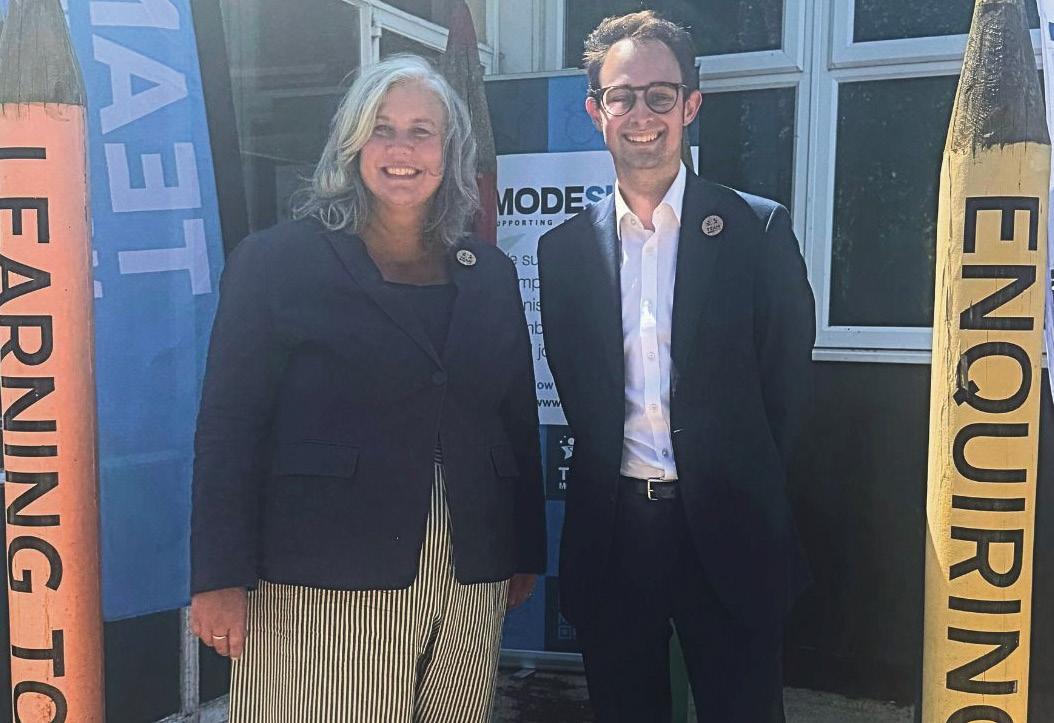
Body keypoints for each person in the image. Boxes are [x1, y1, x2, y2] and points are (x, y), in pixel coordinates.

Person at [189, 54, 545, 723]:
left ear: (449, 150)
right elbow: (229, 428)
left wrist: (524, 548)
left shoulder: (489, 272)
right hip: (323, 576)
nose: (401, 149)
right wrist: (217, 576)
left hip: (467, 573)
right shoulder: (276, 263)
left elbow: (514, 417)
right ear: (352, 143)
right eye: (383, 129)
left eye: (421, 132)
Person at [538, 11, 815, 722]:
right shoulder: (562, 251)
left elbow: (787, 389)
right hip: (614, 535)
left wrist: (742, 482)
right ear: (596, 111)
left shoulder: (756, 229)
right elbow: (580, 393)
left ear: (690, 105)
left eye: (660, 96)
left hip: (730, 532)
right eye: (622, 96)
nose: (642, 115)